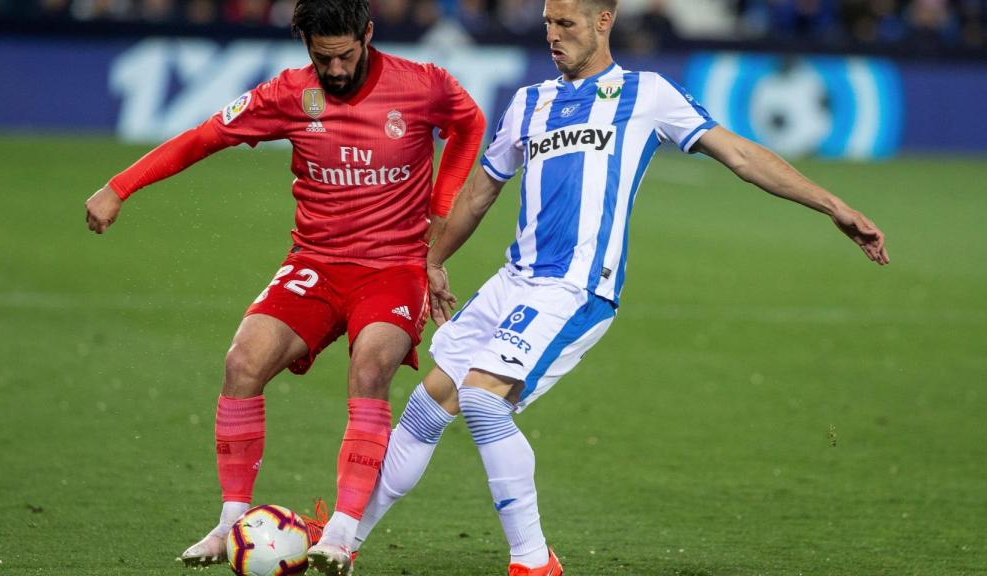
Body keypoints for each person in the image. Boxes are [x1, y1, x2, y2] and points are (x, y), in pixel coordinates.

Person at [349, 0, 890, 574]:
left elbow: (740, 154)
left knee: (483, 401)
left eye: (567, 25)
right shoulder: (529, 102)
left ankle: (533, 562)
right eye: (548, 26)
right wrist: (431, 260)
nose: (554, 38)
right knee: (424, 409)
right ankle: (344, 541)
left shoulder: (647, 93)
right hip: (513, 282)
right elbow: (480, 194)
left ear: (604, 21)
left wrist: (832, 204)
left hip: (576, 288)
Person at [83, 1, 486, 574]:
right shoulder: (287, 95)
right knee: (242, 362)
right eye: (324, 58)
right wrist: (120, 187)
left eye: (346, 54)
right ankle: (229, 523)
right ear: (305, 45)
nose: (337, 70)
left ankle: (342, 534)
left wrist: (438, 222)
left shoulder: (423, 86)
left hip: (393, 268)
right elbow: (204, 138)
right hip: (316, 264)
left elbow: (469, 124)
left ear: (368, 35)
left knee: (370, 369)